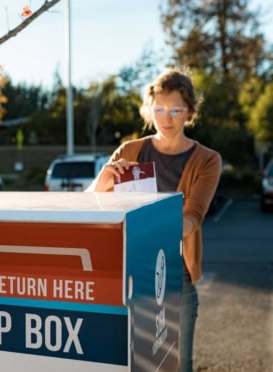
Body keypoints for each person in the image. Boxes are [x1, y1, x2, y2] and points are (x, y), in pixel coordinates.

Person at [87, 67, 222, 372]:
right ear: (149, 109)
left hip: (177, 275)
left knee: (177, 363)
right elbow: (94, 203)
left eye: (176, 109)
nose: (166, 117)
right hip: (129, 272)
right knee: (132, 361)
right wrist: (104, 180)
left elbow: (193, 217)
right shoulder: (131, 150)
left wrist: (154, 230)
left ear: (189, 112)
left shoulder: (207, 160)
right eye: (159, 109)